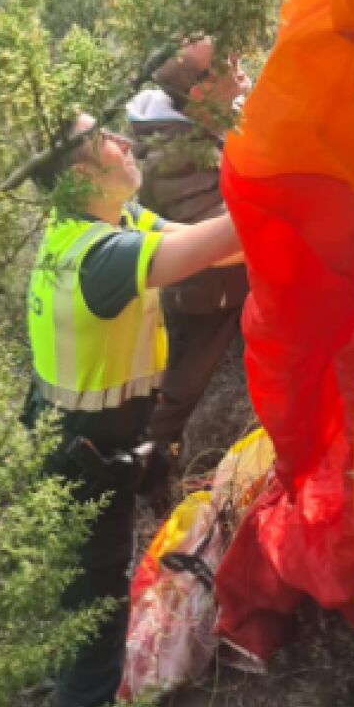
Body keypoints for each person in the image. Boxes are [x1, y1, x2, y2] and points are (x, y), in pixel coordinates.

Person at [24, 109, 241, 707]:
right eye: (105, 139)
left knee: (86, 583)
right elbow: (222, 242)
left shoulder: (108, 221)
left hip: (83, 439)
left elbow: (210, 248)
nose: (124, 140)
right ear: (80, 175)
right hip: (83, 454)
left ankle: (76, 684)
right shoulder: (102, 257)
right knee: (98, 593)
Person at [124, 35, 252, 507]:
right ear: (199, 91)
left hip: (236, 280)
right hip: (205, 293)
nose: (238, 60)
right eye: (224, 60)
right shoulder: (170, 160)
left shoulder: (213, 112)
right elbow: (218, 242)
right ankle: (151, 475)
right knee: (178, 391)